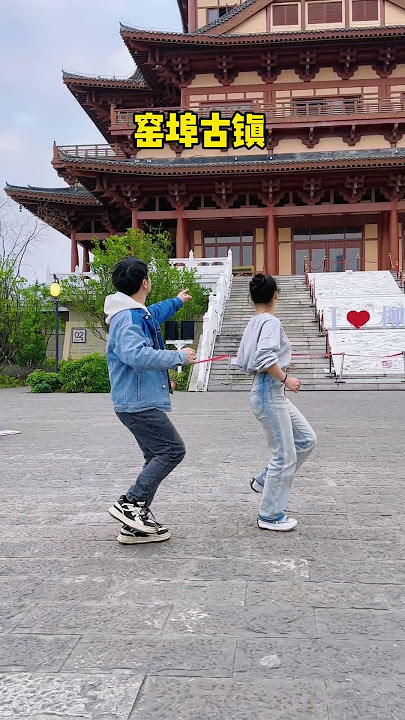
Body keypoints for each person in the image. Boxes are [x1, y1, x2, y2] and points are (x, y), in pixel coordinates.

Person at [104, 256, 196, 545]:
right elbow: (136, 355)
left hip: (136, 401)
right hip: (137, 402)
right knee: (172, 451)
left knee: (155, 456)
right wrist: (179, 356)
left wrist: (177, 301)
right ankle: (130, 503)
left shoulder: (133, 313)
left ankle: (134, 525)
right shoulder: (128, 318)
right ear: (145, 282)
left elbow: (152, 314)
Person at [237, 273, 317, 532]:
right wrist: (286, 379)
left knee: (306, 439)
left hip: (267, 392)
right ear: (276, 296)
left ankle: (263, 480)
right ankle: (270, 514)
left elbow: (249, 359)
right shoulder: (269, 321)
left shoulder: (254, 322)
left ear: (251, 298)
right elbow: (264, 357)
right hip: (269, 391)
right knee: (284, 455)